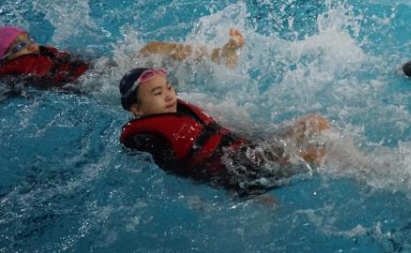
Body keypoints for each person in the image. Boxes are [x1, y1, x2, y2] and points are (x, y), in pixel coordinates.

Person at [119, 67, 331, 195]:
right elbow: (184, 170)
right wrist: (237, 189)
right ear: (137, 109)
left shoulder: (181, 111)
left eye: (169, 87)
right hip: (236, 169)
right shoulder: (146, 138)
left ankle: (360, 169)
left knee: (314, 124)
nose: (168, 95)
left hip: (243, 150)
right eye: (157, 93)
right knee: (316, 153)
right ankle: (360, 173)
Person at [0, 25, 245, 89]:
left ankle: (220, 55)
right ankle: (219, 55)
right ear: (6, 57)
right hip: (99, 83)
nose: (31, 46)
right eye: (20, 45)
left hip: (102, 72)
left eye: (29, 38)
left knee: (154, 51)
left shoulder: (46, 54)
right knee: (154, 53)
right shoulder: (11, 75)